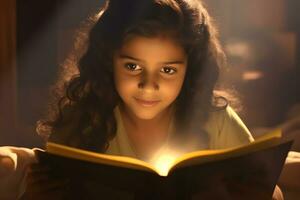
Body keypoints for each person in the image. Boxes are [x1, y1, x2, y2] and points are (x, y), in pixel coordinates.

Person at [0, 0, 286, 199]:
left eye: (168, 70)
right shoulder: (84, 118)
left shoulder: (216, 119)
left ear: (191, 70)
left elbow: (266, 188)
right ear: (108, 60)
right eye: (133, 66)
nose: (149, 85)